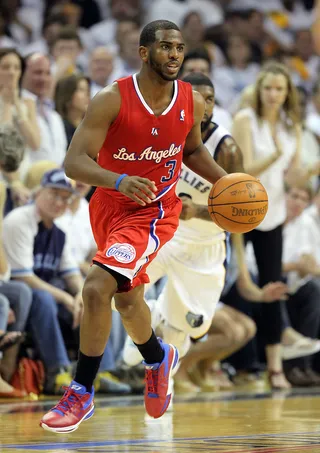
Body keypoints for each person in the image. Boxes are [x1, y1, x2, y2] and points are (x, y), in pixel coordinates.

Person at [40, 19, 228, 432]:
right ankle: (159, 359)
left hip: (154, 211)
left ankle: (81, 393)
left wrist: (227, 182)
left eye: (179, 47)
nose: (175, 54)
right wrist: (119, 180)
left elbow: (192, 149)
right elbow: (74, 163)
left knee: (95, 289)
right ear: (144, 53)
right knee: (127, 302)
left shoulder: (191, 101)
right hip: (109, 204)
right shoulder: (111, 99)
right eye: (165, 47)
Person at [232, 62, 314, 390]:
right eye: (268, 88)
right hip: (241, 206)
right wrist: (276, 154)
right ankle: (223, 362)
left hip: (274, 211)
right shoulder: (245, 120)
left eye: (280, 89)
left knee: (273, 284)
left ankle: (275, 367)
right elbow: (242, 169)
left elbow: (292, 176)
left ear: (287, 93)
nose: (274, 94)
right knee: (232, 278)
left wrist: (309, 170)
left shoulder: (290, 126)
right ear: (259, 89)